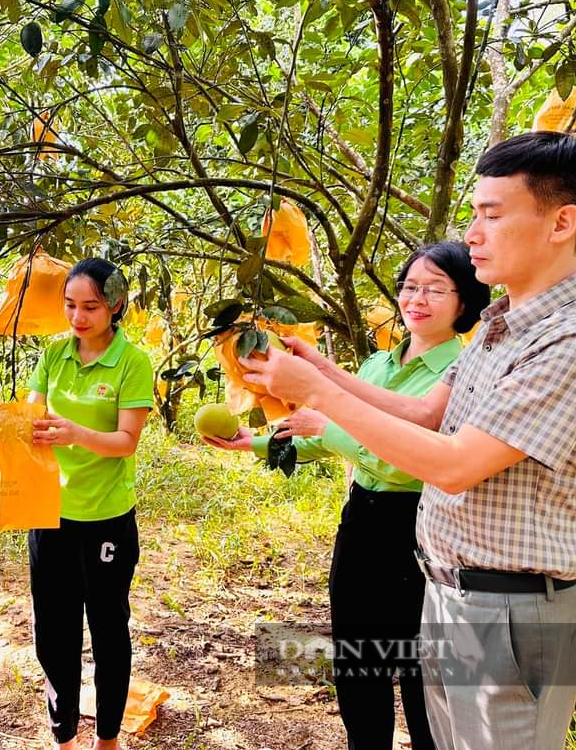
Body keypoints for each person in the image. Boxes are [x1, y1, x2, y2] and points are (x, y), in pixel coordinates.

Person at [240, 132, 576, 750]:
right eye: (473, 214)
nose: (472, 233)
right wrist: (322, 371)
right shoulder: (501, 327)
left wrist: (317, 396)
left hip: (512, 612)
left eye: (492, 214)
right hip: (453, 593)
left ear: (562, 222)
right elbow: (425, 413)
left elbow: (454, 466)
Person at [205, 242, 489, 750]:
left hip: (418, 526)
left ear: (464, 302)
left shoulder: (459, 373)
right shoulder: (380, 364)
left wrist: (328, 424)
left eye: (435, 289)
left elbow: (400, 453)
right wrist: (256, 442)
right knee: (357, 657)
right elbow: (327, 431)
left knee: (421, 665)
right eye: (410, 287)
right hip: (362, 521)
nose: (417, 299)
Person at [0, 257, 154, 750]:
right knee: (54, 632)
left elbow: (126, 441)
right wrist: (9, 421)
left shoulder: (132, 362)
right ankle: (62, 734)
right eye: (69, 306)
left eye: (90, 307)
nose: (78, 318)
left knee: (107, 630)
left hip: (105, 518)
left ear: (115, 306)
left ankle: (107, 738)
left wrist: (78, 433)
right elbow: (37, 421)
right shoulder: (54, 355)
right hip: (49, 513)